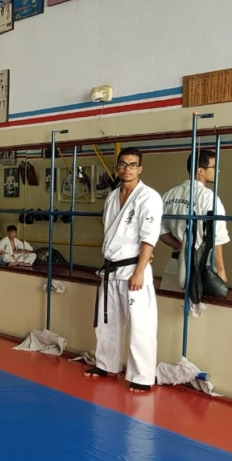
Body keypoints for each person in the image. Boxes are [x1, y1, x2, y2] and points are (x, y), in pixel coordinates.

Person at [84, 148, 163, 394]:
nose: (127, 169)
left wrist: (140, 270)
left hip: (133, 269)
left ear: (140, 168)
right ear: (117, 167)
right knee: (107, 321)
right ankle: (106, 364)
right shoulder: (112, 196)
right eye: (123, 164)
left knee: (140, 324)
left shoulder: (148, 197)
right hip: (111, 269)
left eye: (133, 164)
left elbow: (149, 237)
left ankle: (142, 375)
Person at [159, 149, 229, 293]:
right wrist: (221, 270)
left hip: (174, 264)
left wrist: (181, 247)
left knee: (169, 304)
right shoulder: (208, 197)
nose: (218, 171)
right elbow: (216, 238)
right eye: (214, 167)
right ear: (200, 171)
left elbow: (160, 231)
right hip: (199, 267)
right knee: (196, 307)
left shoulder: (169, 195)